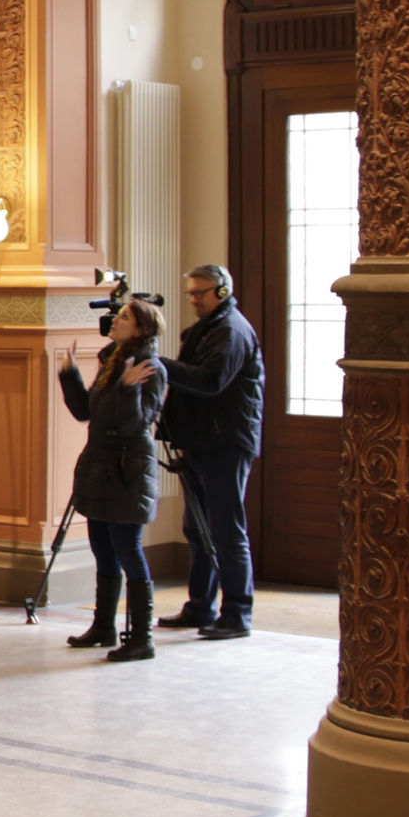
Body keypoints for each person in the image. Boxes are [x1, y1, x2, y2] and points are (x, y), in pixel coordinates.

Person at [150, 263, 265, 639]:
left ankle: (237, 614)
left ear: (222, 292)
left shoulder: (231, 331)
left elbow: (211, 381)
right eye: (192, 293)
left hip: (226, 443)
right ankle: (200, 606)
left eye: (200, 293)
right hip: (202, 440)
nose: (194, 299)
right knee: (197, 529)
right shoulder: (207, 328)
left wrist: (160, 366)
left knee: (226, 531)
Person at [58, 298, 168, 663]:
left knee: (128, 550)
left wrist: (127, 388)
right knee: (102, 550)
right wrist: (69, 374)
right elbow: (87, 412)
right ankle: (103, 627)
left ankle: (141, 637)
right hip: (100, 469)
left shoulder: (150, 368)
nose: (114, 321)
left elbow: (136, 424)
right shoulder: (112, 361)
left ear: (140, 329)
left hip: (127, 472)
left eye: (124, 318)